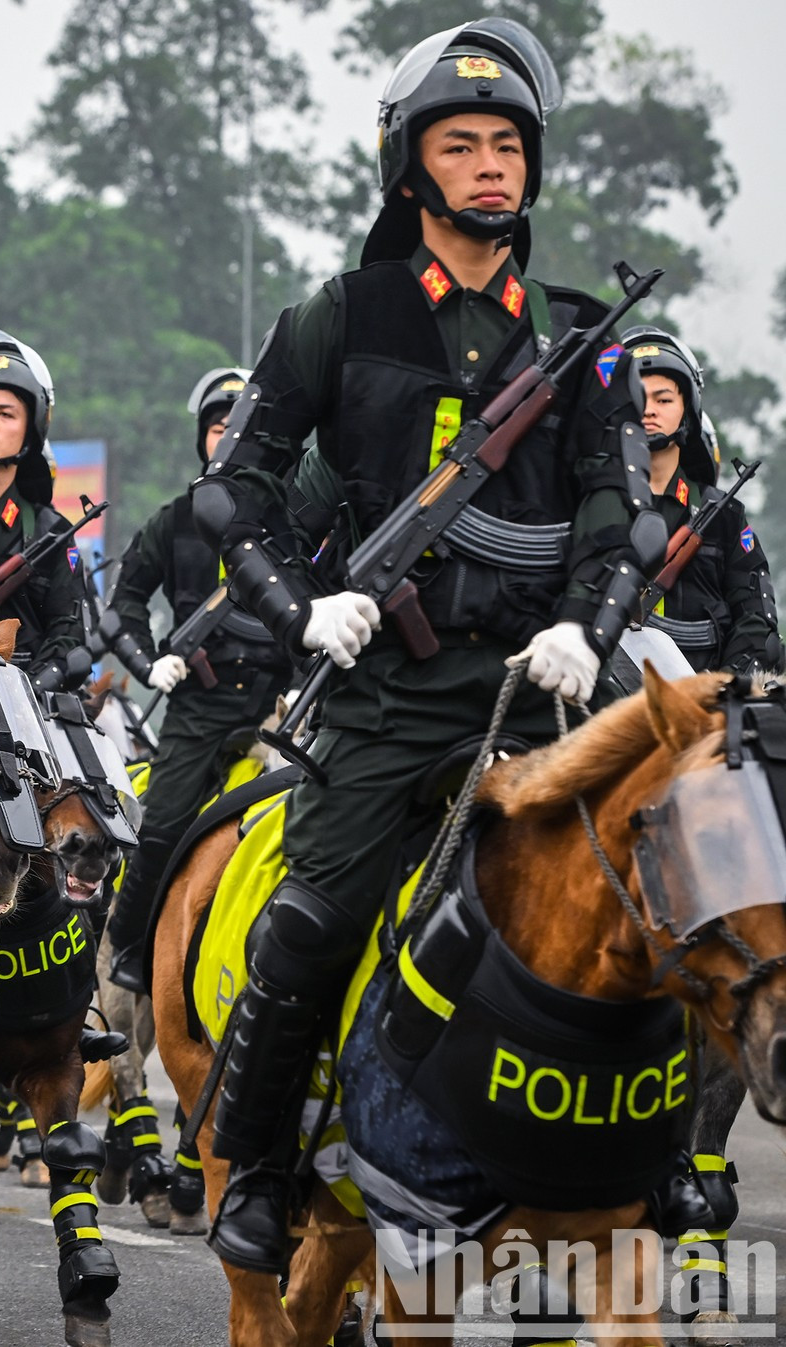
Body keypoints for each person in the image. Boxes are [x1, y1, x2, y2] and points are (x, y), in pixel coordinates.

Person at [186, 19, 663, 1272]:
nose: (489, 165)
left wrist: (586, 623)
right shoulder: (338, 316)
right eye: (460, 145)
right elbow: (231, 494)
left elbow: (628, 515)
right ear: (411, 168)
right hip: (387, 695)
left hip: (538, 696)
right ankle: (259, 1164)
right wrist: (302, 610)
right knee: (310, 922)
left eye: (506, 144)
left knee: (653, 899)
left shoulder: (582, 339)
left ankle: (649, 1161)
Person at [102, 369, 293, 989]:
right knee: (159, 826)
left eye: (244, 429)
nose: (231, 439)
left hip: (282, 705)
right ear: (202, 438)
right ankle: (130, 952)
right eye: (219, 428)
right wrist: (148, 660)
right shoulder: (174, 519)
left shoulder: (295, 515)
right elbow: (122, 602)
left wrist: (304, 677)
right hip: (199, 704)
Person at [623, 330, 780, 674]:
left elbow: (756, 624)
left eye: (664, 400)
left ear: (688, 410)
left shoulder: (724, 516)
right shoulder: (587, 501)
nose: (649, 411)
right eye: (638, 397)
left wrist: (721, 694)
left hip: (700, 708)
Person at [0, 328, 85, 686]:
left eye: (6, 414)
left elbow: (67, 636)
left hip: (26, 702)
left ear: (30, 429)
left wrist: (33, 691)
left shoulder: (52, 533)